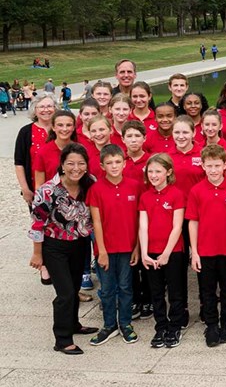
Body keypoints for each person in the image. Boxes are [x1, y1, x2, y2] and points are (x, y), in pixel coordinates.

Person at [28, 143, 99, 354]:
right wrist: (37, 253)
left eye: (80, 163)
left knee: (75, 286)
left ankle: (74, 324)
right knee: (66, 292)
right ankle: (62, 339)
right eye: (70, 163)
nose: (75, 168)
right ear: (62, 165)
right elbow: (37, 223)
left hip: (80, 244)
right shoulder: (48, 190)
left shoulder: (90, 183)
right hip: (54, 246)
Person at [186, 144, 226, 348]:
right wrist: (194, 252)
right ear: (202, 166)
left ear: (225, 165)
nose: (213, 170)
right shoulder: (196, 190)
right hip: (205, 250)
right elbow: (193, 221)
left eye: (217, 165)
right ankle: (211, 324)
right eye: (209, 166)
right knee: (207, 291)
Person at [86, 144, 142, 346]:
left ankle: (125, 323)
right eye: (109, 163)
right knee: (108, 288)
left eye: (118, 162)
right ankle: (109, 325)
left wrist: (136, 246)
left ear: (125, 163)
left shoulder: (134, 186)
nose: (114, 166)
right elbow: (97, 222)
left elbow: (138, 218)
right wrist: (101, 251)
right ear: (102, 166)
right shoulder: (96, 189)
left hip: (128, 247)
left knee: (126, 287)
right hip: (106, 249)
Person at [139, 152, 187, 349]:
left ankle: (175, 326)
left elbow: (177, 226)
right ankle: (161, 326)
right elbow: (143, 226)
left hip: (172, 252)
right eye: (150, 171)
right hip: (151, 252)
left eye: (158, 171)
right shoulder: (145, 196)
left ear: (168, 172)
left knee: (176, 292)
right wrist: (144, 253)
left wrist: (167, 253)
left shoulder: (177, 194)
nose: (153, 175)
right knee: (156, 293)